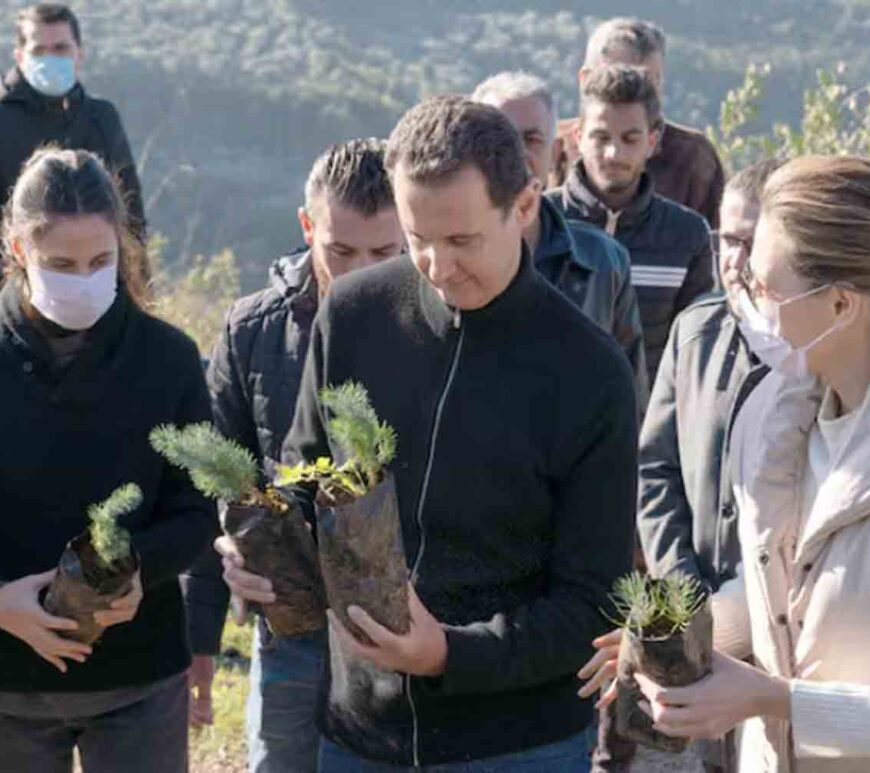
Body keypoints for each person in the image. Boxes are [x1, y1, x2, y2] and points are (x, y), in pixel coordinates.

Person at [220, 95, 638, 771]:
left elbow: (590, 602)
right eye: (417, 239)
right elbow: (302, 472)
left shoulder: (589, 373)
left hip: (518, 743)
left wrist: (447, 651)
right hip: (358, 732)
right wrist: (262, 542)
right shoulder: (353, 315)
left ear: (525, 206)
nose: (438, 268)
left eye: (462, 240)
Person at [585, 155, 870, 772]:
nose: (750, 301)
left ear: (841, 305)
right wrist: (679, 632)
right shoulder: (785, 423)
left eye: (768, 288)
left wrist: (776, 698)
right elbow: (780, 585)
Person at [182, 138, 403, 772]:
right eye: (340, 251)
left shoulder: (440, 323)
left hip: (405, 630)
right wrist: (202, 637)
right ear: (307, 227)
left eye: (385, 253)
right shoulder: (254, 331)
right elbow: (217, 484)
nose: (361, 270)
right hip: (292, 631)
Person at [0, 148, 216, 772]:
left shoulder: (168, 358)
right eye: (61, 265)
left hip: (138, 680)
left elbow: (197, 510)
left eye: (101, 261)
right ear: (19, 250)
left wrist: (137, 572)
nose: (84, 279)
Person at [635, 159, 781, 773]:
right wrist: (683, 590)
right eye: (726, 239)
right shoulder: (695, 332)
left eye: (752, 241)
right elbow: (656, 470)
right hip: (692, 624)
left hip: (781, 632)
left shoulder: (820, 349)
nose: (734, 258)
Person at [471, 71, 648, 405]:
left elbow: (627, 395)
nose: (516, 153)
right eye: (500, 137)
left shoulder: (604, 262)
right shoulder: (441, 258)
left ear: (554, 152)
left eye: (531, 139)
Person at [548, 64, 713, 387]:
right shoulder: (540, 222)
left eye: (630, 138)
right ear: (578, 137)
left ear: (652, 141)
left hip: (645, 426)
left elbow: (694, 351)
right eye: (601, 137)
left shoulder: (686, 236)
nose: (614, 153)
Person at [552, 17, 724, 229]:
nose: (637, 95)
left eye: (651, 83)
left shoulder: (691, 157)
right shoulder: (549, 144)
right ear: (585, 79)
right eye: (616, 79)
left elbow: (714, 243)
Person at [0, 5, 146, 250]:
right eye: (39, 50)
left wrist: (136, 282)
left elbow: (130, 212)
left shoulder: (100, 118)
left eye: (60, 48)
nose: (50, 58)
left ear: (79, 54)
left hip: (94, 273)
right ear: (20, 57)